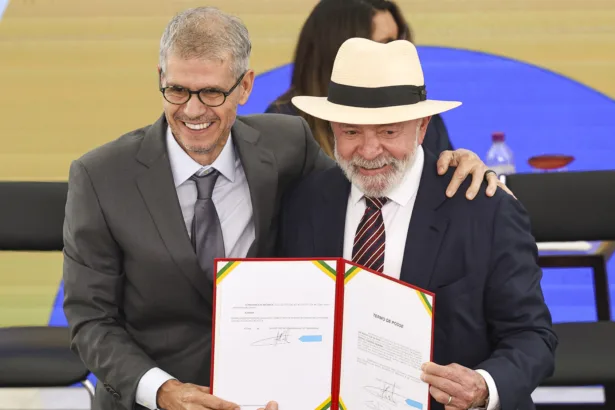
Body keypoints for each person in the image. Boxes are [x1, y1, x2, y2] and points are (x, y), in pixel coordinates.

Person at [62, 7, 509, 410]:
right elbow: (91, 319)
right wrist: (161, 391)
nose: (193, 110)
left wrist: (454, 162)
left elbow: (368, 170)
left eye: (213, 93)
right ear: (160, 76)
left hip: (275, 397)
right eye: (177, 90)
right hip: (152, 401)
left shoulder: (287, 144)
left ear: (245, 86)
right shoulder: (99, 177)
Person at [277, 38, 557, 410]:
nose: (369, 150)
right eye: (351, 132)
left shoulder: (485, 208)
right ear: (331, 129)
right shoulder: (304, 202)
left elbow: (532, 336)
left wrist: (484, 386)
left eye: (389, 132)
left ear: (422, 127)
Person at [265, 0, 453, 158]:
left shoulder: (418, 115)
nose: (396, 53)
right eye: (385, 44)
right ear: (336, 50)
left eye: (399, 41)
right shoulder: (283, 127)